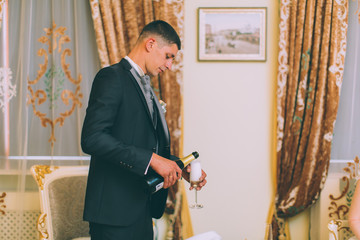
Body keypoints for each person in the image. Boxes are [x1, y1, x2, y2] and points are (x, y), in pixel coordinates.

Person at [81, 20, 207, 240]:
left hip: (141, 207)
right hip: (113, 214)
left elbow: (143, 143)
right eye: (168, 56)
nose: (169, 65)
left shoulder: (145, 84)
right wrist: (153, 159)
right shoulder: (111, 77)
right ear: (150, 44)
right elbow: (92, 138)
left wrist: (178, 166)